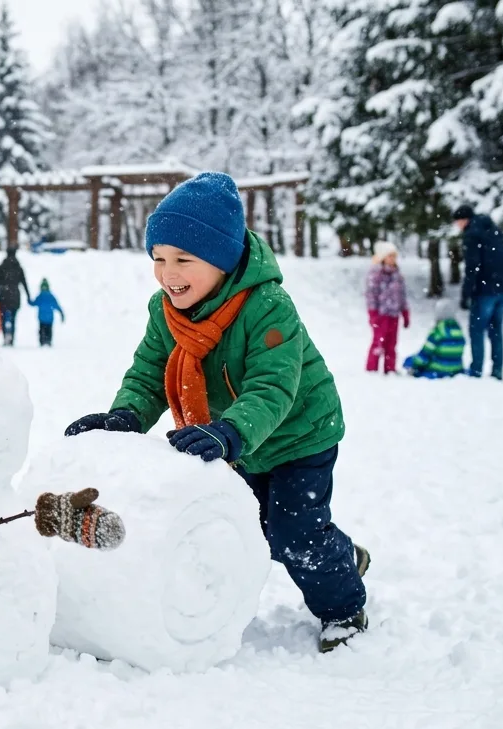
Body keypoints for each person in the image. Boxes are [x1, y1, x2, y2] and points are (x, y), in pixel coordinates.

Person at [63, 172, 369, 653]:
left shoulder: (267, 307)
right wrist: (124, 417)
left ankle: (344, 607)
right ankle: (339, 554)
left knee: (293, 535)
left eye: (184, 259)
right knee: (250, 529)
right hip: (234, 437)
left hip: (297, 434)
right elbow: (148, 374)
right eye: (159, 259)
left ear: (223, 261)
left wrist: (230, 431)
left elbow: (273, 386)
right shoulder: (166, 311)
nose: (168, 274)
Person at [453, 204, 503, 380]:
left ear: (464, 220)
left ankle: (476, 369)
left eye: (458, 222)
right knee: (496, 330)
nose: (457, 226)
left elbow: (473, 266)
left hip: (485, 289)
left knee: (477, 329)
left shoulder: (472, 235)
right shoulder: (495, 231)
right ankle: (497, 370)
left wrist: (466, 293)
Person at [364, 241, 410, 374]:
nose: (392, 259)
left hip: (394, 315)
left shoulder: (397, 275)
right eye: (390, 256)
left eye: (394, 256)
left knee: (391, 343)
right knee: (378, 342)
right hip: (381, 315)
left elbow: (402, 295)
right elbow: (371, 295)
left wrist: (405, 312)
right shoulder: (375, 274)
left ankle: (390, 369)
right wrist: (372, 314)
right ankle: (372, 369)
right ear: (383, 257)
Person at [404, 300, 466, 379]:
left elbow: (425, 354)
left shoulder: (438, 331)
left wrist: (412, 362)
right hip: (456, 368)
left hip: (439, 369)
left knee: (410, 361)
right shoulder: (458, 331)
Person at [0, 246, 32, 346]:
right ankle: (11, 337)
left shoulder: (2, 266)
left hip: (4, 295)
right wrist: (28, 295)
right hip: (15, 295)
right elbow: (24, 282)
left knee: (3, 317)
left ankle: (5, 336)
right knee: (13, 318)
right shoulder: (18, 266)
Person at [29, 278, 65, 347]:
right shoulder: (51, 296)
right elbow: (57, 306)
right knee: (49, 330)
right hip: (49, 319)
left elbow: (33, 303)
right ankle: (48, 341)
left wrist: (28, 299)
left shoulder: (40, 296)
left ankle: (42, 341)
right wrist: (62, 314)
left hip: (42, 318)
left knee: (42, 330)